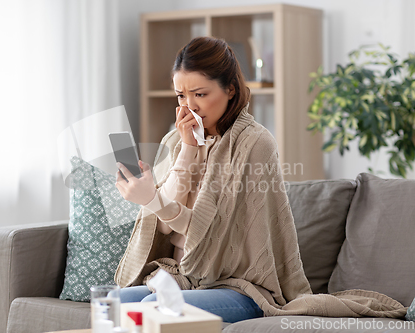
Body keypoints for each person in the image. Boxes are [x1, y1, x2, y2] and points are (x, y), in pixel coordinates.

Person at [113, 36, 406, 323]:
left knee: (155, 305)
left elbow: (204, 239)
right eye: (181, 95)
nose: (190, 106)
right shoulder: (176, 140)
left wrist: (152, 199)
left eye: (200, 94)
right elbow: (163, 226)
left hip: (237, 286)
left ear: (230, 90)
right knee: (116, 302)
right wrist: (188, 150)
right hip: (182, 278)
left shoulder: (254, 143)